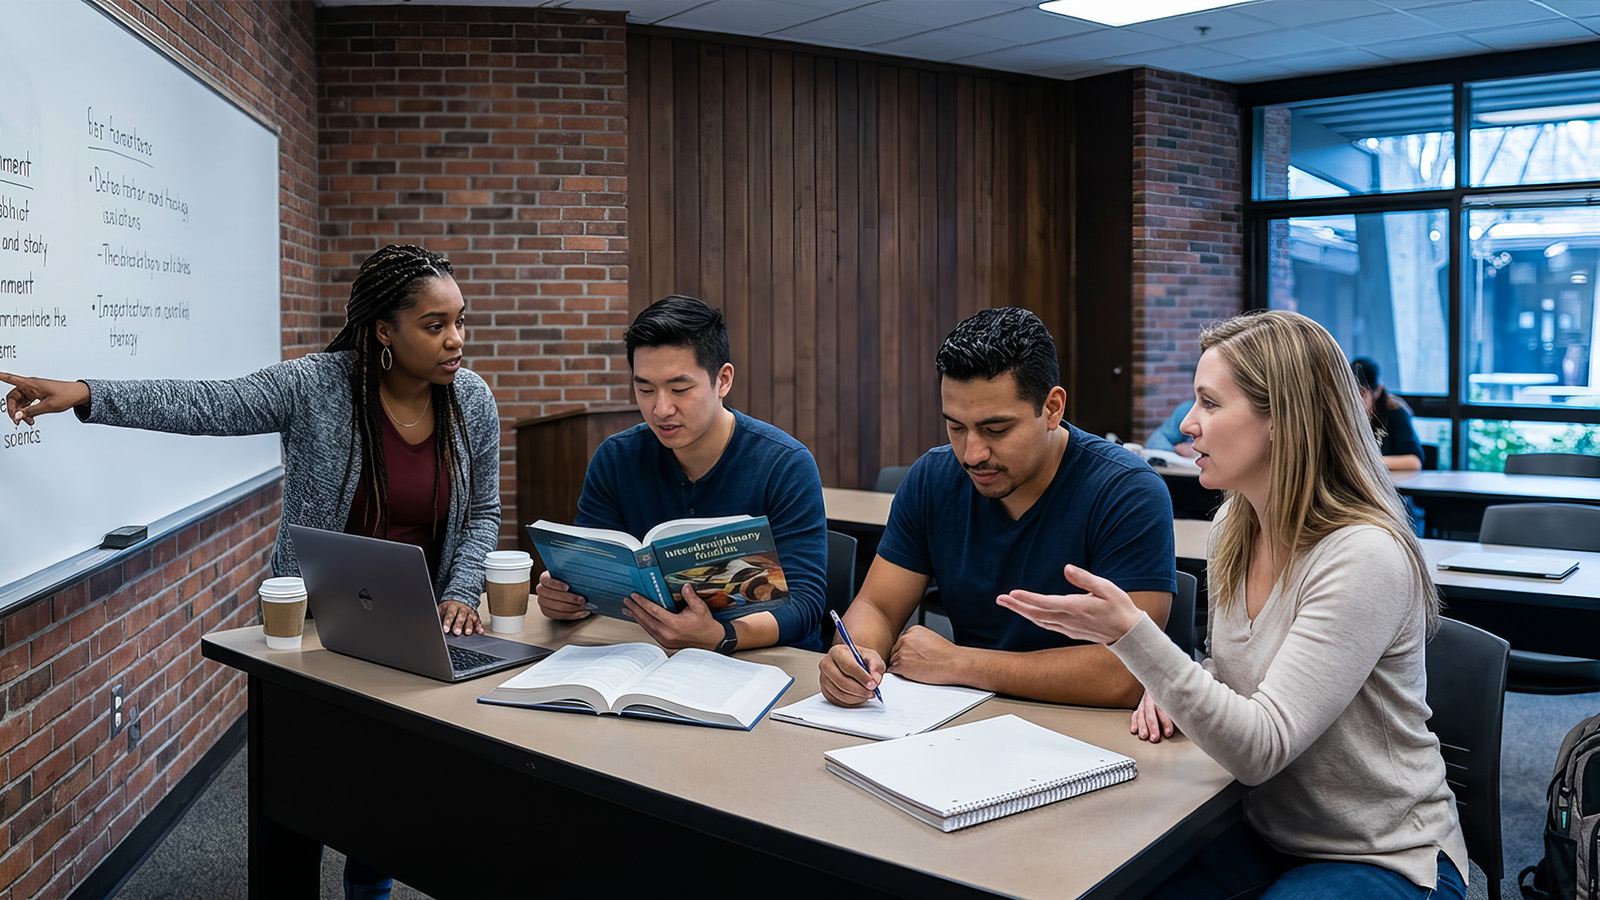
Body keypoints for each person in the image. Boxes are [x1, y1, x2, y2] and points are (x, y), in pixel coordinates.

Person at [3, 244, 502, 900]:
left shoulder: (472, 401)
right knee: (301, 798)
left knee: (385, 800)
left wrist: (463, 591)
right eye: (435, 326)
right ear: (384, 330)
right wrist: (87, 394)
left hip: (417, 630)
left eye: (460, 322)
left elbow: (483, 513)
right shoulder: (319, 387)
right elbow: (215, 405)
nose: (455, 339)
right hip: (315, 628)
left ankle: (370, 887)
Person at [998, 310, 1466, 900]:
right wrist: (1183, 682)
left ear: (1282, 421)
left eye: (1210, 403)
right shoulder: (1234, 528)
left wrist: (1134, 640)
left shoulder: (1364, 556)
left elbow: (1259, 750)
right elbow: (1248, 671)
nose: (1188, 424)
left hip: (1385, 854)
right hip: (1264, 829)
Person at [818, 307, 1175, 709]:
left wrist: (960, 662)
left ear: (1053, 408)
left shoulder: (1126, 491)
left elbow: (1127, 674)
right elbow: (878, 606)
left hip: (1088, 728)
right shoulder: (933, 479)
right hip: (967, 718)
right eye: (955, 427)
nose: (972, 454)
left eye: (997, 429)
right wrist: (855, 655)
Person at [534, 295, 828, 652]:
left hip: (764, 661)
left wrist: (721, 636)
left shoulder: (785, 464)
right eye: (644, 389)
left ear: (723, 380)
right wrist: (565, 596)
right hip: (645, 654)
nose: (660, 409)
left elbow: (804, 604)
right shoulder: (616, 458)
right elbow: (591, 575)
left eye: (679, 389)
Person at [1351, 356, 1423, 471]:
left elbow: (1414, 462)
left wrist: (1368, 461)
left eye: (1361, 393)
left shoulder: (1395, 412)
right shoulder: (1346, 414)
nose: (1354, 399)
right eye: (1351, 392)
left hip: (1388, 483)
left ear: (1378, 390)